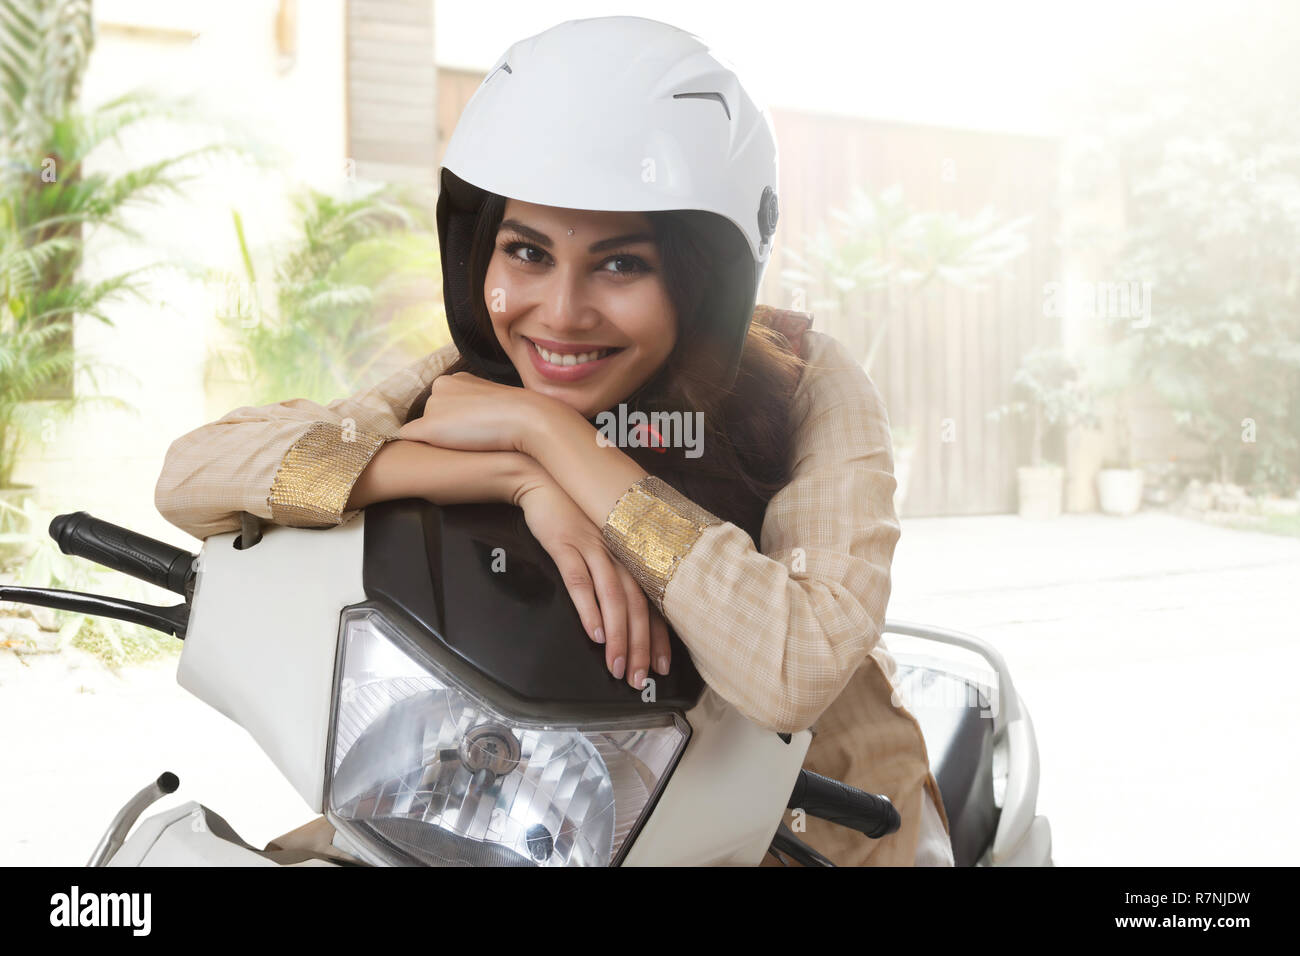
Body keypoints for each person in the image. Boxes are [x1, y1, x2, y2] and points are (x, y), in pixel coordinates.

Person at [155, 15, 954, 867]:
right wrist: (516, 476)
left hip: (807, 823)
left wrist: (556, 437)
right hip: (529, 793)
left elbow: (794, 665)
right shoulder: (475, 365)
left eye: (620, 264)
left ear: (702, 280)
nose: (561, 312)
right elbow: (192, 475)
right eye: (527, 251)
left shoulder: (810, 380)